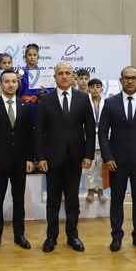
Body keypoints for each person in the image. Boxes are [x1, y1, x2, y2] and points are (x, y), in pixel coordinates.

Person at [98, 66, 136, 253]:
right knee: (116, 200)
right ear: (121, 80)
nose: (130, 81)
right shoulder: (110, 103)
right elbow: (102, 133)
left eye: (133, 78)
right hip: (116, 162)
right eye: (126, 77)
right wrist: (107, 157)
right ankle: (116, 236)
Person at [36, 62, 95, 253]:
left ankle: (73, 236)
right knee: (52, 201)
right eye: (60, 73)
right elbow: (39, 131)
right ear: (54, 77)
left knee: (72, 200)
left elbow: (89, 129)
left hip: (75, 159)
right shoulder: (45, 99)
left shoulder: (83, 98)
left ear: (73, 77)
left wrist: (88, 154)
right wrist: (41, 157)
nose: (64, 76)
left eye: (67, 73)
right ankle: (51, 237)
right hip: (52, 159)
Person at [0, 69, 35, 250]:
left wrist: (30, 158)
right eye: (7, 81)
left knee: (19, 201)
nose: (10, 84)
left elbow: (29, 135)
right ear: (1, 84)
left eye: (14, 81)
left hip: (20, 162)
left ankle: (19, 235)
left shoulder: (25, 106)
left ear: (18, 84)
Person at [85, 78, 107, 202]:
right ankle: (90, 190)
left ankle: (100, 191)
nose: (95, 89)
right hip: (88, 139)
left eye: (97, 87)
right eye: (92, 87)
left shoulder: (107, 103)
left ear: (102, 89)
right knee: (89, 167)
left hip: (103, 139)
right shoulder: (84, 103)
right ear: (88, 89)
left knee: (101, 168)